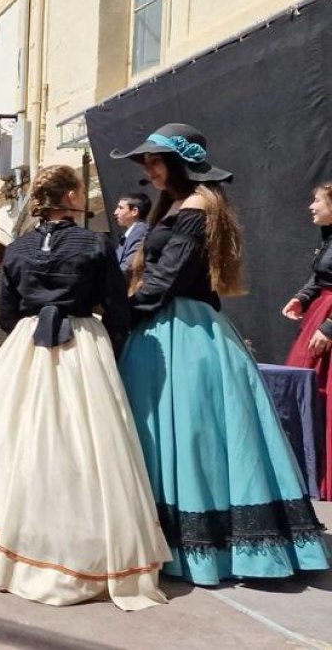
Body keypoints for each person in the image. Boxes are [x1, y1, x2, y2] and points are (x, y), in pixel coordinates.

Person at [0, 164, 170, 610]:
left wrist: (32, 328)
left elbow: (7, 315)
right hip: (82, 343)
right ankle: (68, 547)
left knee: (9, 439)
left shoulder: (19, 247)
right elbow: (118, 309)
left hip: (26, 343)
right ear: (69, 195)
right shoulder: (97, 243)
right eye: (81, 189)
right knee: (82, 445)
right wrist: (111, 343)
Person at [113, 123, 329, 584]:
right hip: (174, 326)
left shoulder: (195, 208)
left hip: (182, 329)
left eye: (155, 160)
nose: (149, 168)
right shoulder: (182, 206)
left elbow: (167, 275)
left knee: (190, 432)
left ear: (179, 163)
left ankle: (203, 547)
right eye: (147, 161)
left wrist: (121, 316)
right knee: (181, 432)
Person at [283, 181, 332, 499]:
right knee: (310, 393)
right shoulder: (328, 238)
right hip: (320, 312)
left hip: (329, 320)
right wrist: (302, 297)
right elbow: (321, 275)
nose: (311, 207)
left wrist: (329, 328)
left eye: (317, 201)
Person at [114, 192, 152, 275]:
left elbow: (128, 267)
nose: (115, 212)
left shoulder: (140, 233)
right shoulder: (132, 233)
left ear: (134, 211)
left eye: (120, 208)